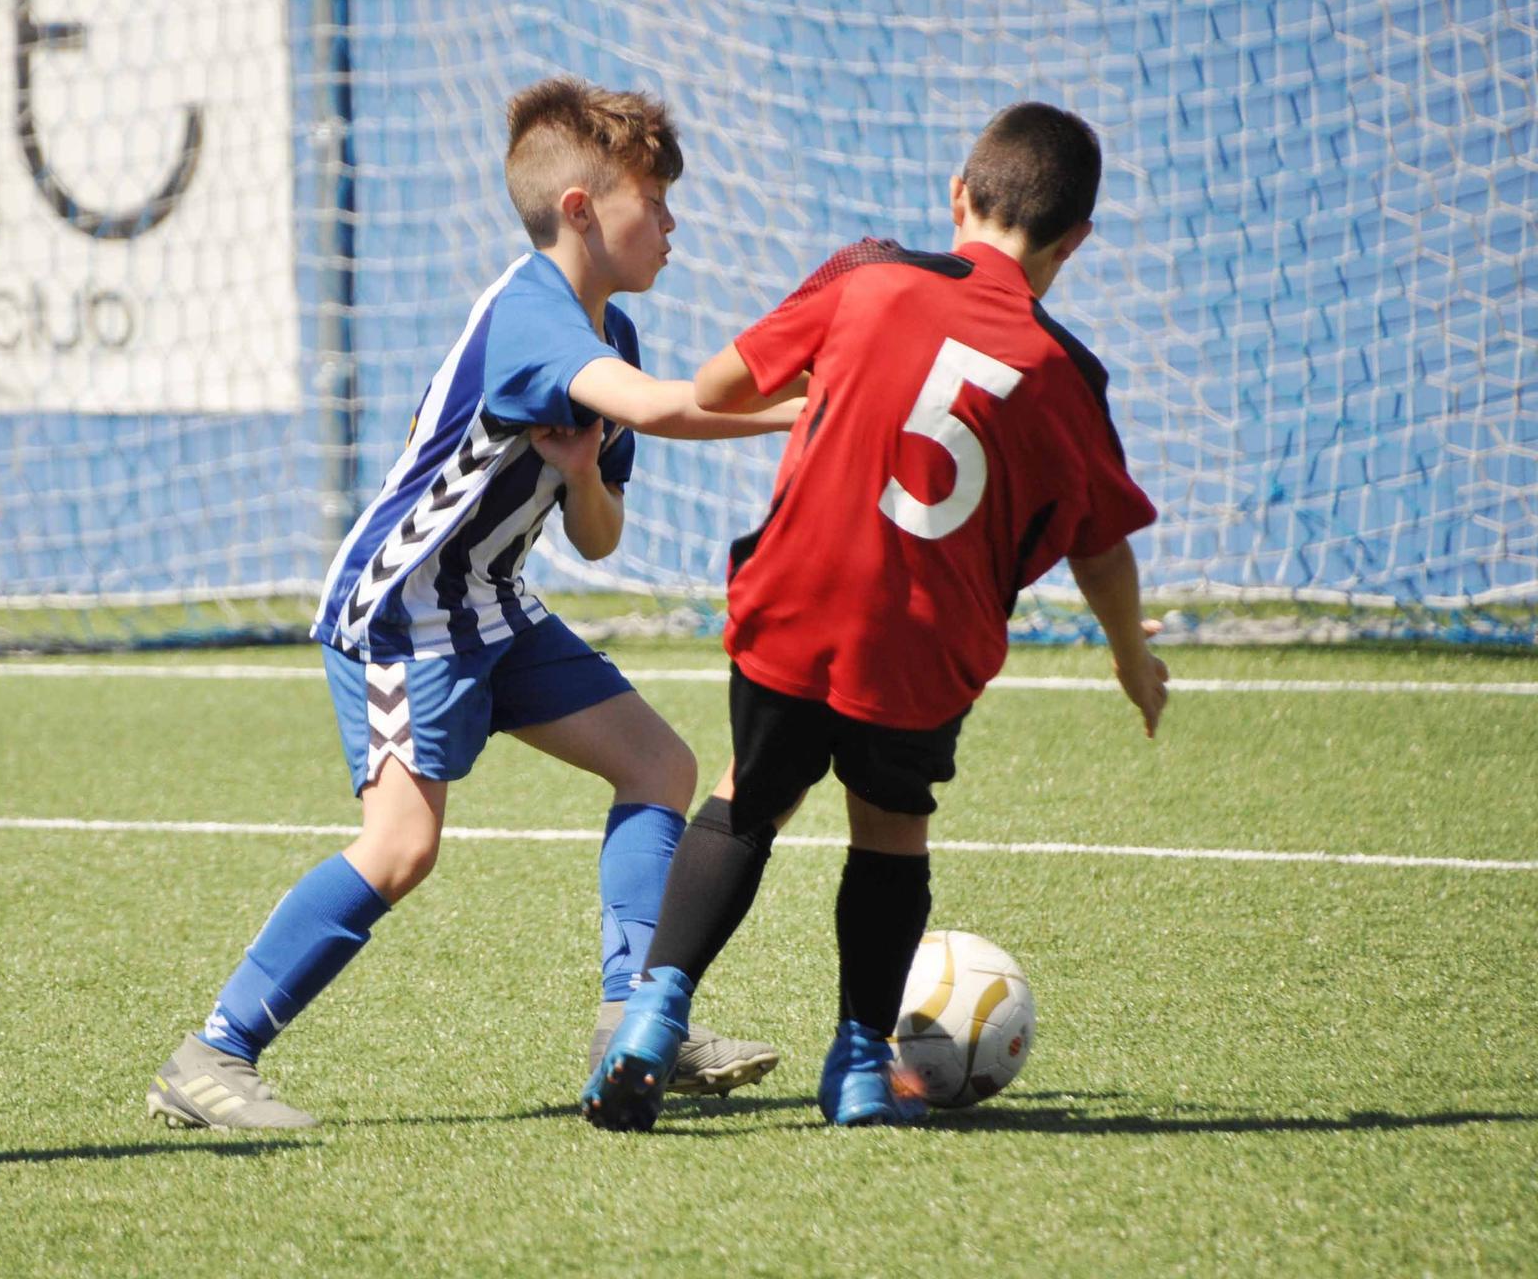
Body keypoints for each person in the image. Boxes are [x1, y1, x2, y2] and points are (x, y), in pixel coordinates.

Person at [147, 77, 800, 1130]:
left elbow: (596, 534)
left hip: (488, 601)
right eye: (655, 199)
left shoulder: (607, 333)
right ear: (582, 208)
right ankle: (211, 1051)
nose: (673, 223)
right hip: (402, 613)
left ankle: (635, 1019)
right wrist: (813, 410)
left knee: (658, 764)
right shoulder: (530, 318)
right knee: (401, 846)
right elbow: (676, 408)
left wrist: (585, 473)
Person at [583, 101, 1168, 1132]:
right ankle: (856, 1064)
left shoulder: (868, 276)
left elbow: (719, 384)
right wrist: (1130, 658)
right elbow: (1100, 545)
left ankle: (647, 1020)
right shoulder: (1068, 374)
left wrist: (833, 375)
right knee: (889, 827)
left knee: (746, 796)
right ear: (1073, 241)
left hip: (793, 600)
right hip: (922, 638)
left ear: (959, 197)